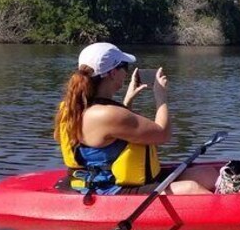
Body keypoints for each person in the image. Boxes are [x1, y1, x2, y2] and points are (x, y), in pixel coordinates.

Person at [54, 42, 218, 195]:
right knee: (191, 188)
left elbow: (111, 136)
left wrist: (127, 101)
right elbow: (163, 134)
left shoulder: (79, 107)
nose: (126, 72)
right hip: (109, 188)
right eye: (124, 66)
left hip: (119, 180)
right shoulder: (107, 114)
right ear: (112, 73)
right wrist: (161, 97)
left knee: (207, 174)